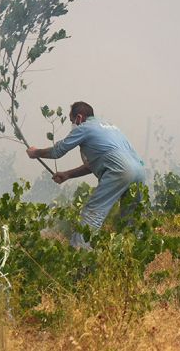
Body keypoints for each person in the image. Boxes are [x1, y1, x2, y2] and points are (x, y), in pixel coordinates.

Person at [26, 101, 146, 249]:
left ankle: (80, 255)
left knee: (92, 213)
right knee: (130, 218)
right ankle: (133, 252)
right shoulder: (109, 126)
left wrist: (35, 153)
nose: (73, 124)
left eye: (72, 121)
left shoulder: (84, 128)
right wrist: (67, 174)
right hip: (139, 171)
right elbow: (94, 164)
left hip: (120, 170)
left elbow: (58, 151)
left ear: (79, 117)